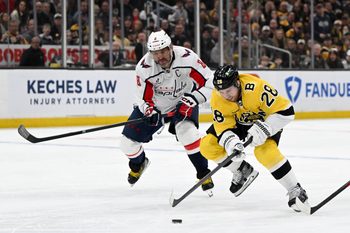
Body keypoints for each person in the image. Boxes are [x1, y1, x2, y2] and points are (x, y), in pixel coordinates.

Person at [200, 65, 309, 212]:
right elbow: (223, 125)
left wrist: (265, 128)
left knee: (264, 152)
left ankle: (295, 189)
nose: (226, 95)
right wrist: (231, 142)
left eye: (229, 90)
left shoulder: (256, 87)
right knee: (207, 145)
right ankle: (241, 170)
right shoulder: (218, 96)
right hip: (237, 124)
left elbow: (287, 111)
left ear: (237, 83)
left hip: (265, 121)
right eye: (222, 92)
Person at [120, 30, 214, 194]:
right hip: (157, 107)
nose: (160, 56)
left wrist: (194, 98)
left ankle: (203, 174)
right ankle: (139, 164)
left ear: (171, 47)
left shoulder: (187, 57)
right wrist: (149, 110)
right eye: (156, 53)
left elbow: (209, 83)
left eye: (163, 51)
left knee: (189, 134)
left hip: (183, 102)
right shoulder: (144, 68)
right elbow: (143, 98)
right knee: (127, 144)